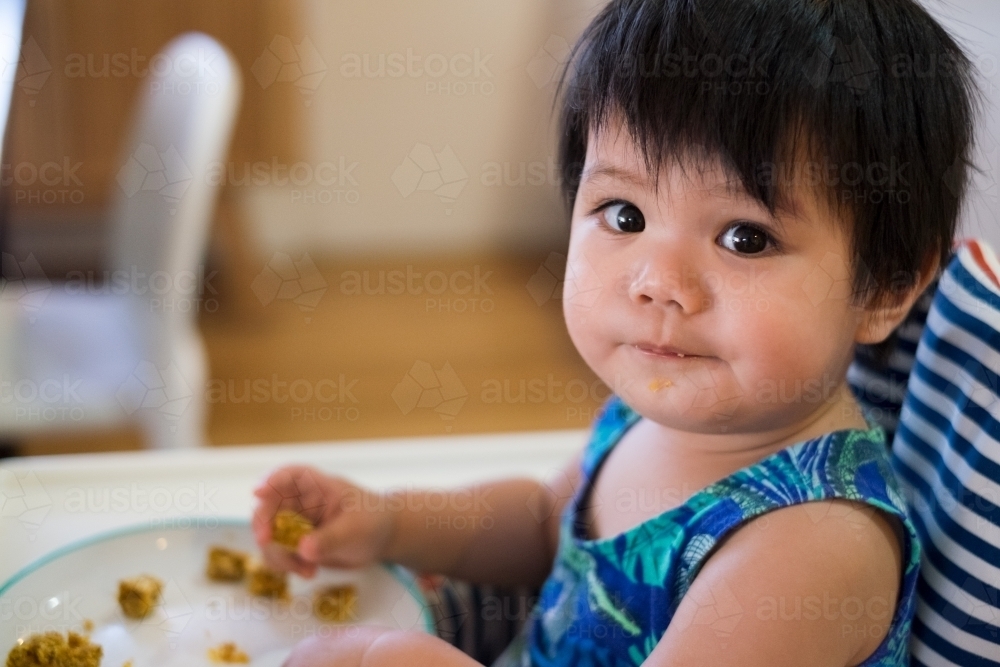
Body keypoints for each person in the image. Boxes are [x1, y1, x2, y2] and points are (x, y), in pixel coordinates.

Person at [252, 0, 980, 664]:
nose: (657, 281)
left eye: (745, 237)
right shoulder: (675, 396)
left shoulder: (815, 544)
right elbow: (545, 523)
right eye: (625, 214)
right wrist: (388, 521)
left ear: (885, 285)